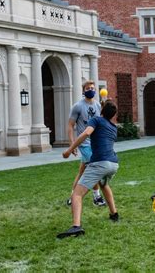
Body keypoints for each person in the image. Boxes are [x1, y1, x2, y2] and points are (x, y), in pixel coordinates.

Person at [57, 100, 120, 239]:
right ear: (113, 115)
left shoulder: (96, 120)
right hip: (114, 164)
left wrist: (70, 149)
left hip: (100, 163)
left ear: (102, 110)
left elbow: (86, 133)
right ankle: (114, 214)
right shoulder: (114, 127)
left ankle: (76, 226)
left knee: (77, 195)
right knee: (104, 185)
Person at [67, 80, 106, 207]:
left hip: (95, 143)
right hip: (84, 143)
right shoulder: (78, 106)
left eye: (93, 88)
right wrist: (72, 143)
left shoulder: (98, 106)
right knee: (94, 167)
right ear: (83, 90)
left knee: (82, 171)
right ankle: (97, 197)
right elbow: (70, 125)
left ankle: (73, 196)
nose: (91, 90)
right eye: (88, 88)